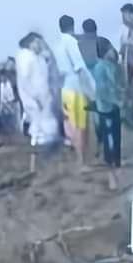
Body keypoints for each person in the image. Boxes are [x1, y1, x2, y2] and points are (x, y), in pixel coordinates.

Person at [50, 15, 95, 162]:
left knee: (72, 124)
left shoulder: (56, 45)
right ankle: (82, 159)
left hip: (64, 90)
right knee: (81, 124)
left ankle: (78, 158)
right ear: (72, 26)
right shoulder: (71, 42)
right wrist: (92, 89)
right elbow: (80, 67)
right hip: (76, 88)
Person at [16, 33, 60, 161]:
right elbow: (26, 81)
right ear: (30, 43)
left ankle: (44, 160)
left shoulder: (36, 57)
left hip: (42, 99)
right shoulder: (26, 57)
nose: (39, 45)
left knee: (45, 130)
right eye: (37, 42)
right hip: (36, 101)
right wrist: (36, 98)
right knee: (40, 132)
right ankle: (40, 161)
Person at [93, 39, 125, 188]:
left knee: (116, 140)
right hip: (106, 109)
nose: (114, 51)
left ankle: (117, 173)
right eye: (111, 48)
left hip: (114, 108)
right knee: (110, 142)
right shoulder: (100, 68)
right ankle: (112, 176)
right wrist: (117, 101)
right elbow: (102, 91)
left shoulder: (113, 66)